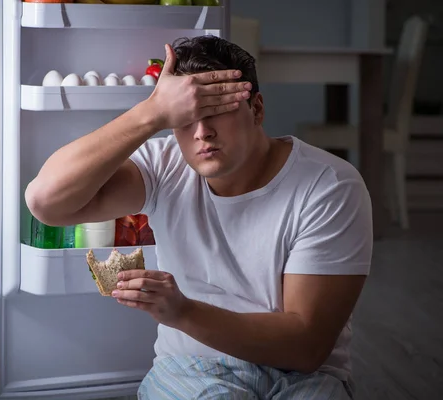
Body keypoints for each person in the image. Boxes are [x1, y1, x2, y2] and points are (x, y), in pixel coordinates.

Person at [25, 35, 372, 399]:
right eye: (186, 118)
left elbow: (306, 347)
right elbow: (46, 202)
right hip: (191, 366)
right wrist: (151, 113)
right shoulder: (163, 165)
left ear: (256, 110)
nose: (202, 132)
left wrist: (183, 312)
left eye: (217, 112)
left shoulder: (329, 185)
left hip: (305, 376)